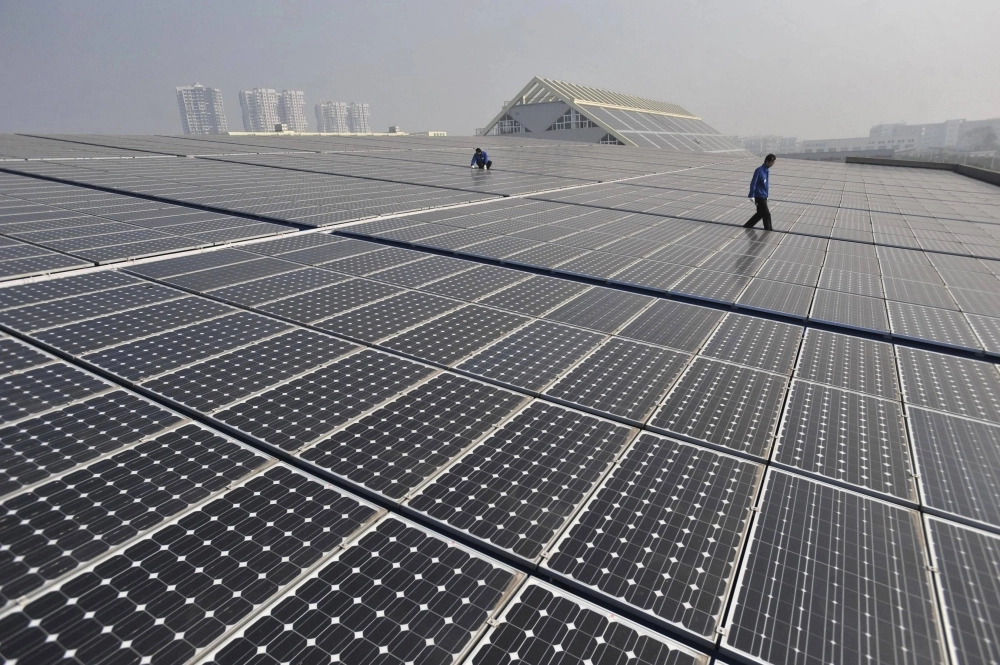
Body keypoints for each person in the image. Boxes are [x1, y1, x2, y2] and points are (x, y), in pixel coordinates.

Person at [743, 154, 776, 230]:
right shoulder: (759, 170)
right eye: (771, 162)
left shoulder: (766, 171)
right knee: (767, 214)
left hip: (764, 196)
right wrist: (751, 195)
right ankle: (769, 230)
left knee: (760, 214)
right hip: (759, 196)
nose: (772, 164)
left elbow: (765, 185)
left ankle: (747, 226)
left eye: (773, 162)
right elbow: (753, 183)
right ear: (767, 161)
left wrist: (767, 196)